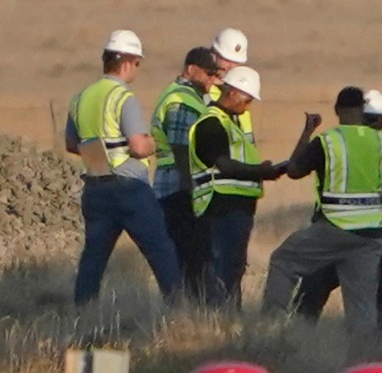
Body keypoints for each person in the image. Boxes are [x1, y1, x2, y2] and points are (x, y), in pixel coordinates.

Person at [261, 87, 382, 333]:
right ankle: (364, 359)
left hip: (334, 228)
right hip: (372, 235)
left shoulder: (328, 142)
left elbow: (294, 170)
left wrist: (308, 131)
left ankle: (268, 329)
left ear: (337, 111)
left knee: (283, 260)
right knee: (362, 305)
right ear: (363, 110)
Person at [67, 30, 180, 306]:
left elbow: (72, 144)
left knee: (93, 259)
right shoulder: (122, 97)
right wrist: (159, 143)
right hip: (129, 190)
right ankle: (180, 312)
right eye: (138, 63)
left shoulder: (81, 98)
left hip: (95, 189)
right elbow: (139, 147)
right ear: (128, 62)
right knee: (161, 252)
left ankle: (84, 313)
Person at [186, 65, 286, 308]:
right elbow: (225, 166)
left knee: (232, 270)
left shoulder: (231, 124)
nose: (248, 106)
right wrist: (262, 171)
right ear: (233, 92)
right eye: (247, 99)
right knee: (223, 271)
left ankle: (227, 320)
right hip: (220, 209)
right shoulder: (211, 124)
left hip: (236, 210)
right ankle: (220, 321)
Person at [149, 47, 225, 299]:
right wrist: (190, 189)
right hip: (178, 189)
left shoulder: (190, 96)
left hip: (177, 186)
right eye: (209, 74)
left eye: (216, 75)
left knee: (190, 257)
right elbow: (180, 147)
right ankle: (188, 310)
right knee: (190, 256)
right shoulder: (181, 100)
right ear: (191, 70)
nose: (213, 80)